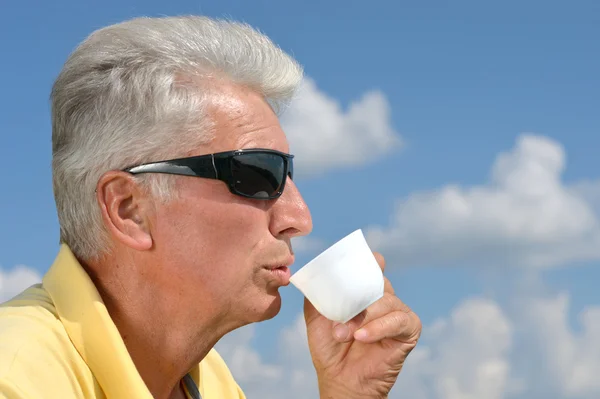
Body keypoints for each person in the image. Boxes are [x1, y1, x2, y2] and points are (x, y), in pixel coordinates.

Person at [0, 15, 421, 399]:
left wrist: (348, 393)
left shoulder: (207, 382)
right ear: (129, 209)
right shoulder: (17, 380)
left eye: (288, 174)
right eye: (258, 175)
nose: (299, 218)